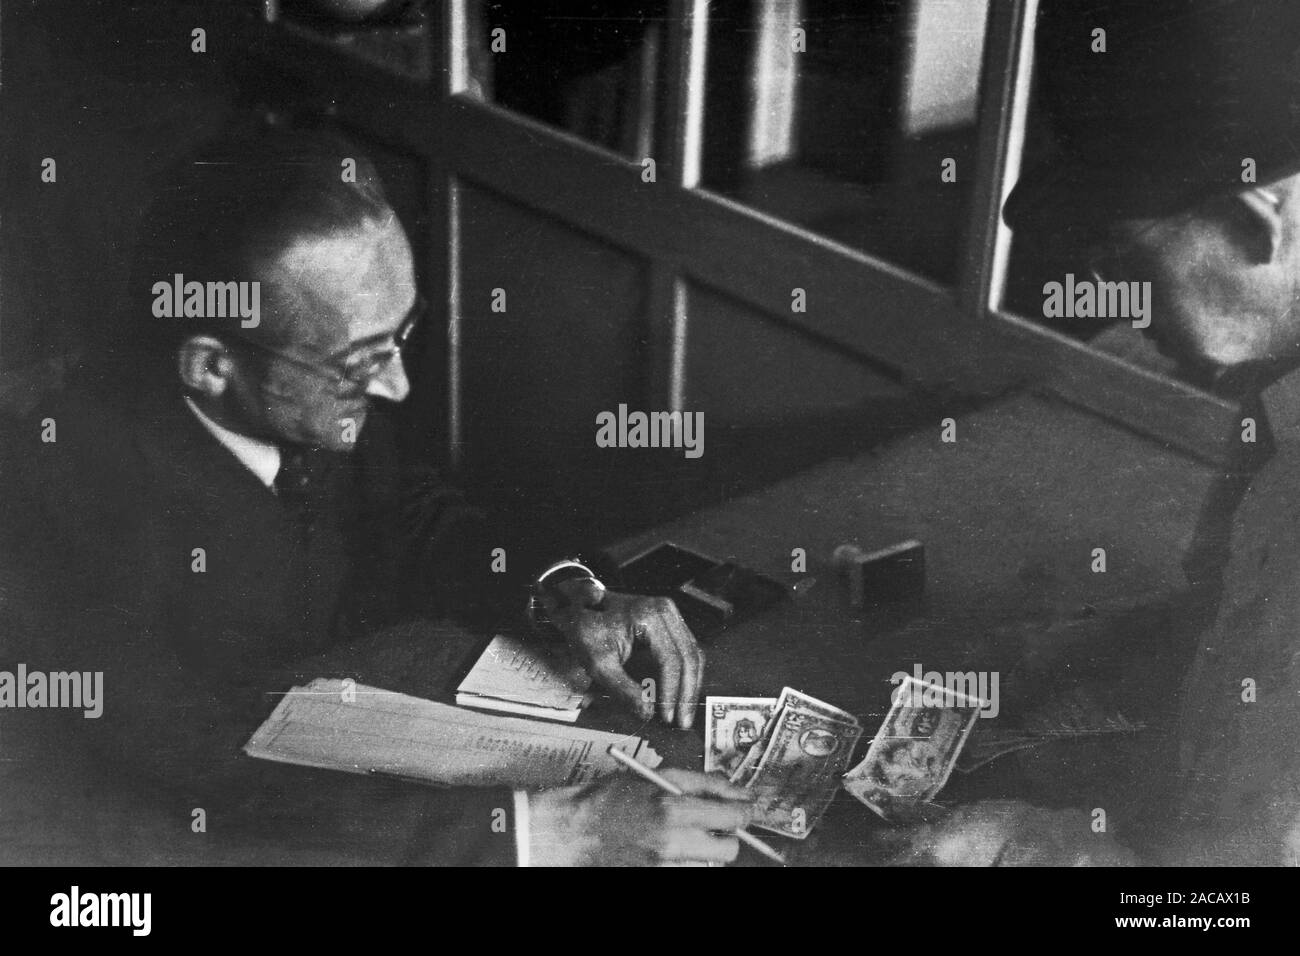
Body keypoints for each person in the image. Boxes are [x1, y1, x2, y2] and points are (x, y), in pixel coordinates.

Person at [0, 119, 753, 866]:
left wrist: (562, 593)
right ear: (210, 367)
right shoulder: (61, 499)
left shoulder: (296, 387)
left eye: (401, 335)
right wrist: (559, 833)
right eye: (362, 359)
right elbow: (197, 774)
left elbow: (413, 512)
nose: (397, 383)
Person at [907, 0, 1300, 866]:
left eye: (1124, 264)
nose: (1119, 310)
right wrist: (1079, 644)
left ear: (1253, 224)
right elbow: (1239, 620)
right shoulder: (1281, 404)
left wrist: (1057, 852)